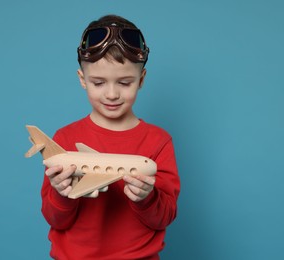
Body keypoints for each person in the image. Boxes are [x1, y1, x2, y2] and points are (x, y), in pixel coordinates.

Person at [41, 14, 180, 259]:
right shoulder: (64, 138)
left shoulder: (159, 141)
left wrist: (147, 199)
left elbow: (164, 218)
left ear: (141, 80)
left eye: (125, 82)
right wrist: (62, 194)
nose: (112, 94)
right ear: (83, 80)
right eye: (99, 83)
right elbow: (55, 220)